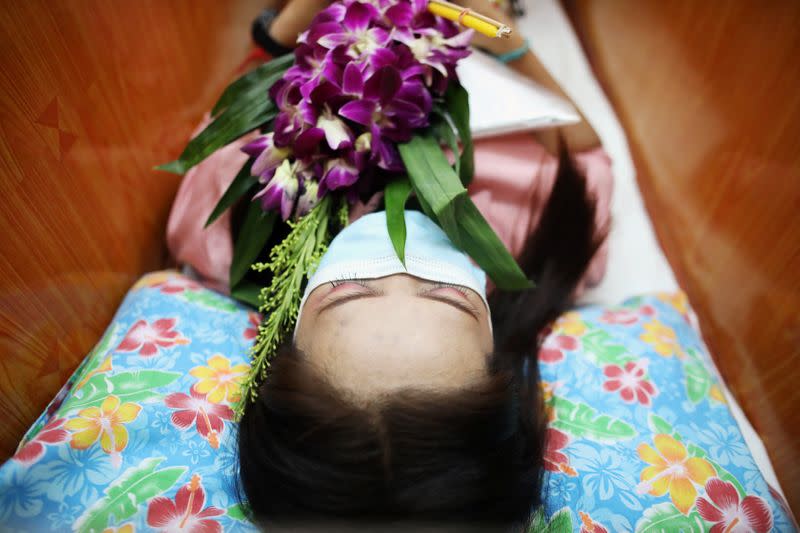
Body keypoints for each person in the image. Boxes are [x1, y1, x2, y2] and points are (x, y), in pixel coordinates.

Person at [167, 1, 613, 530]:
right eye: (445, 295)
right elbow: (585, 157)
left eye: (351, 290)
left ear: (284, 344)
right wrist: (511, 45)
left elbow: (253, 94)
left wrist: (294, 20)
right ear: (498, 356)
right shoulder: (534, 242)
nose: (400, 261)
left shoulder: (230, 226)